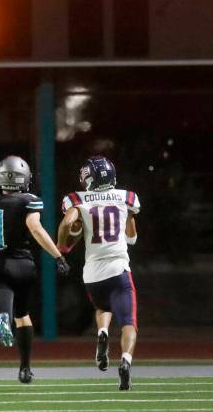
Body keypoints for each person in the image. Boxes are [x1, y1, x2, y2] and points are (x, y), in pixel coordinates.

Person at [0, 155, 70, 383]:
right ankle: (25, 368)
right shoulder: (29, 200)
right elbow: (35, 228)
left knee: (1, 311)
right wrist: (58, 256)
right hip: (24, 265)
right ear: (24, 178)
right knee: (23, 314)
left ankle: (2, 319)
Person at [57, 155, 140, 391]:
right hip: (118, 268)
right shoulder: (127, 197)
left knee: (103, 307)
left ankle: (102, 331)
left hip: (92, 274)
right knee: (129, 322)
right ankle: (125, 361)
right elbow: (132, 238)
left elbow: (66, 224)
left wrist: (62, 247)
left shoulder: (77, 199)